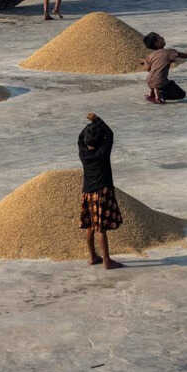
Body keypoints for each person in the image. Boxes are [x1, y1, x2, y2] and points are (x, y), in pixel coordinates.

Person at [78, 113, 123, 270]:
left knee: (90, 225)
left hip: (87, 192)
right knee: (101, 228)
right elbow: (110, 134)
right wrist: (97, 120)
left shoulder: (83, 153)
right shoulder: (102, 154)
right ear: (99, 141)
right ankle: (107, 261)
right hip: (101, 192)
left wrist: (91, 126)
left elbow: (80, 137)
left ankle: (92, 257)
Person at [141, 32, 187, 103]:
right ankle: (160, 95)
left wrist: (145, 61)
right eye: (159, 37)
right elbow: (186, 55)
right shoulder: (169, 52)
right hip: (160, 81)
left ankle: (153, 93)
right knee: (181, 94)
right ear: (156, 43)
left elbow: (148, 69)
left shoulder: (151, 55)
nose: (162, 37)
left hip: (149, 81)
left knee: (162, 81)